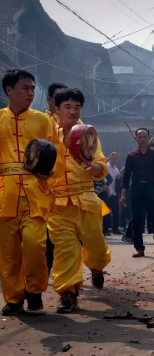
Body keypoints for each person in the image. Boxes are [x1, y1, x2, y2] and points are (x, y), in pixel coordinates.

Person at [0, 69, 61, 315]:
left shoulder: (43, 120)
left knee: (35, 245)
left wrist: (49, 173)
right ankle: (14, 299)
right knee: (9, 253)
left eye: (33, 88)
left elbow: (56, 154)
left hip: (36, 192)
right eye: (25, 88)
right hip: (4, 195)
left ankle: (34, 290)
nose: (30, 92)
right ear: (9, 90)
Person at [47, 88, 112, 313]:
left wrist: (89, 164)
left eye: (77, 107)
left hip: (86, 198)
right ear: (57, 108)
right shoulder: (47, 133)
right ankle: (68, 293)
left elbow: (101, 168)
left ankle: (96, 267)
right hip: (57, 204)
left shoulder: (88, 134)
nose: (73, 111)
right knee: (64, 250)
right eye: (67, 106)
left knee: (95, 246)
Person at [120, 128, 154, 257]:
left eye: (144, 136)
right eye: (139, 137)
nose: (142, 139)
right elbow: (126, 176)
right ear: (135, 138)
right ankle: (139, 248)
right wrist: (123, 194)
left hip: (152, 188)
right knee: (137, 219)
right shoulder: (131, 156)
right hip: (136, 188)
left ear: (149, 138)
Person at [44, 82, 68, 275]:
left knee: (70, 239)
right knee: (46, 239)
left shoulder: (77, 127)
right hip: (45, 191)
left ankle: (68, 282)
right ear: (50, 100)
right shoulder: (40, 122)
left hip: (70, 194)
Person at [106, 153, 122, 234]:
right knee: (106, 211)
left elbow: (118, 180)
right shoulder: (105, 167)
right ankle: (106, 228)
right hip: (107, 192)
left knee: (116, 211)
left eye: (116, 159)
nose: (115, 160)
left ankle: (116, 228)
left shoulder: (116, 170)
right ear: (110, 158)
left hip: (114, 193)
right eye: (113, 158)